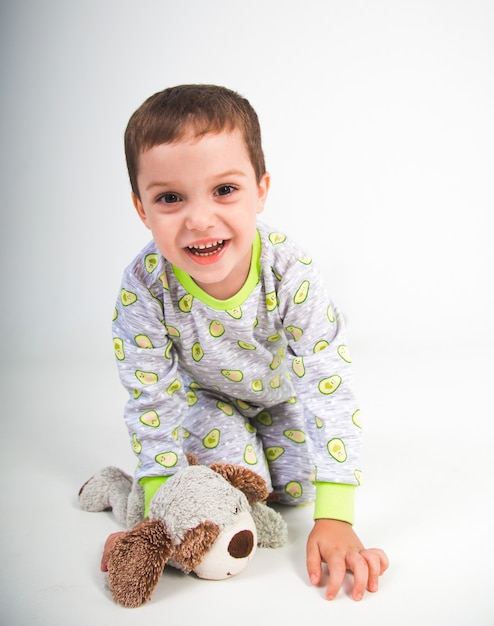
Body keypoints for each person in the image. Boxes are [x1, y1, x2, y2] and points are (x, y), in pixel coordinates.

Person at [104, 84, 388, 601]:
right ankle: (136, 484)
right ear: (141, 208)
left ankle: (245, 458)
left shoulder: (289, 271)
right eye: (170, 198)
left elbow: (328, 384)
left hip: (280, 400)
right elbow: (152, 399)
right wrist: (159, 503)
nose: (199, 219)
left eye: (224, 190)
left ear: (261, 189)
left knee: (295, 492)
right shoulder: (144, 287)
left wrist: (336, 515)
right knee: (233, 484)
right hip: (204, 403)